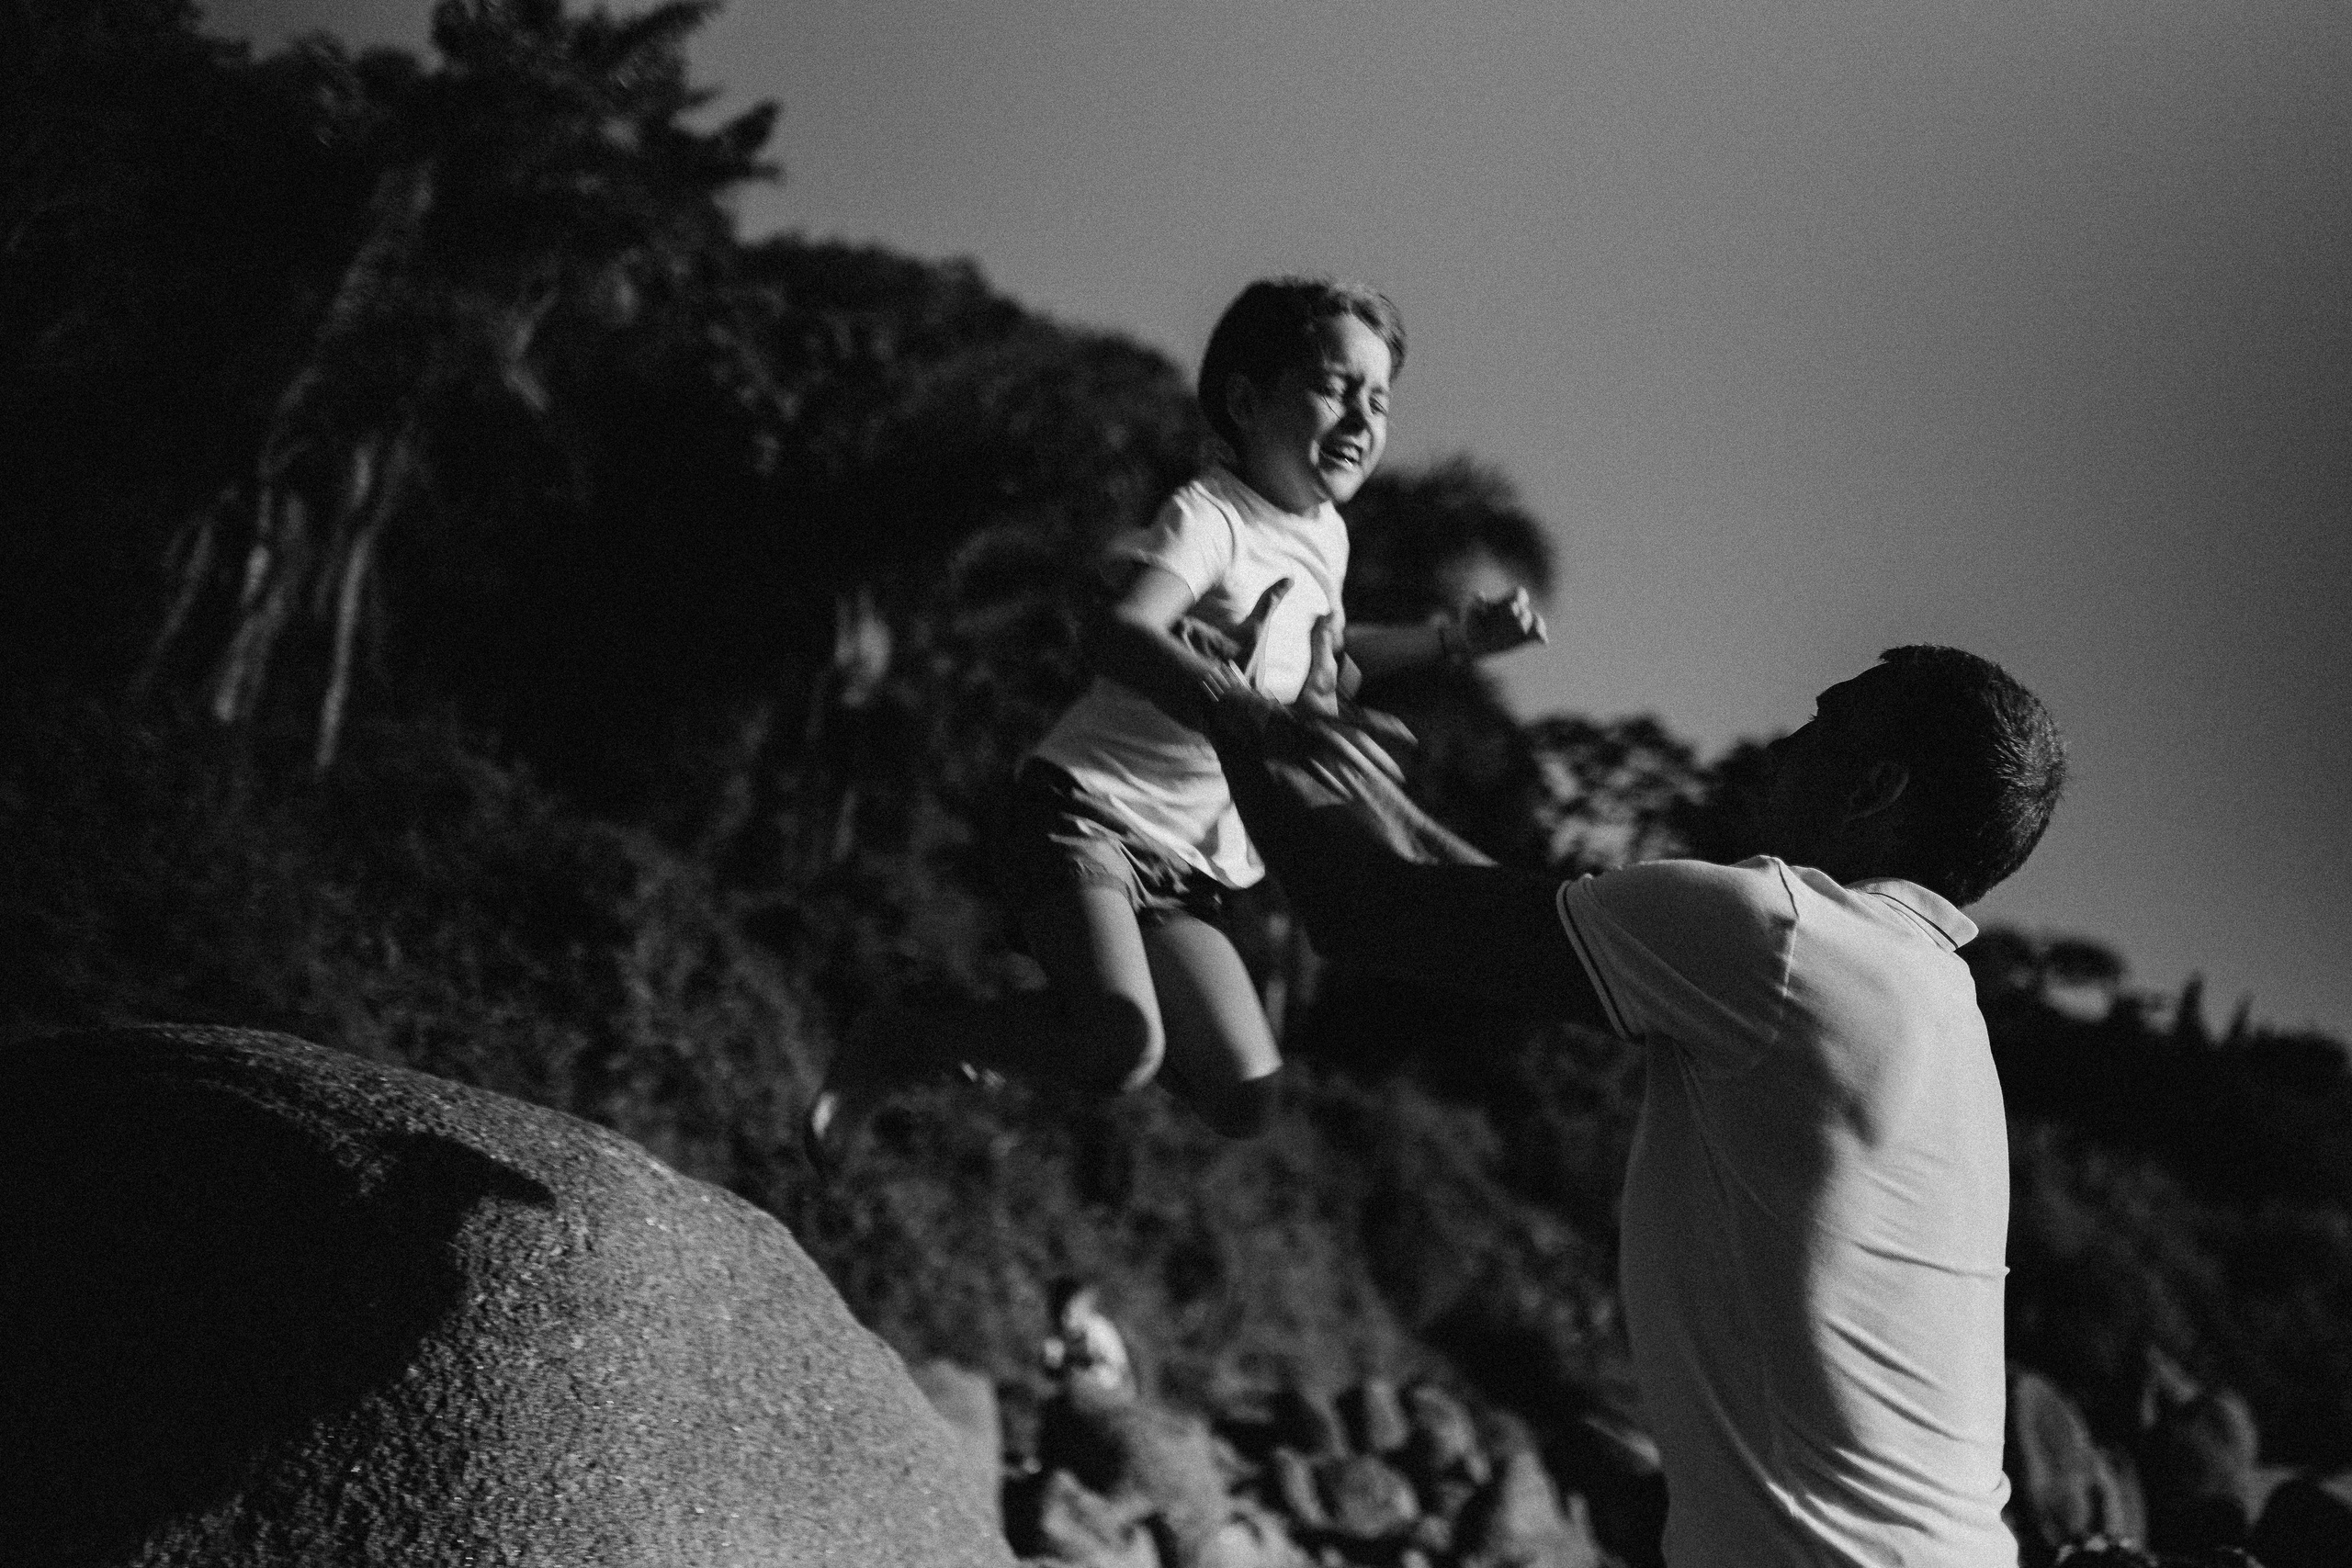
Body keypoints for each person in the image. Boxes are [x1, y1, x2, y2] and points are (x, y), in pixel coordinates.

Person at [1198, 628, 2064, 1568]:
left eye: (1826, 724)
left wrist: (1216, 708)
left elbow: (1366, 909)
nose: (1783, 746)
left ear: (1873, 791)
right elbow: (1482, 896)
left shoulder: (1779, 937)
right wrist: (1316, 750)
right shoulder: (1935, 1003)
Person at [806, 277, 1544, 1162]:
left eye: (1378, 399)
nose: (1361, 416)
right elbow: (1121, 630)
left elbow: (1328, 658)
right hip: (1086, 811)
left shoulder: (1325, 537)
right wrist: (1240, 708)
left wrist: (1453, 639)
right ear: (1246, 399)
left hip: (1190, 870)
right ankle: (917, 1034)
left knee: (1244, 1094)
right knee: (1123, 1046)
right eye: (1333, 386)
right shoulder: (1213, 518)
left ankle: (1007, 1029)